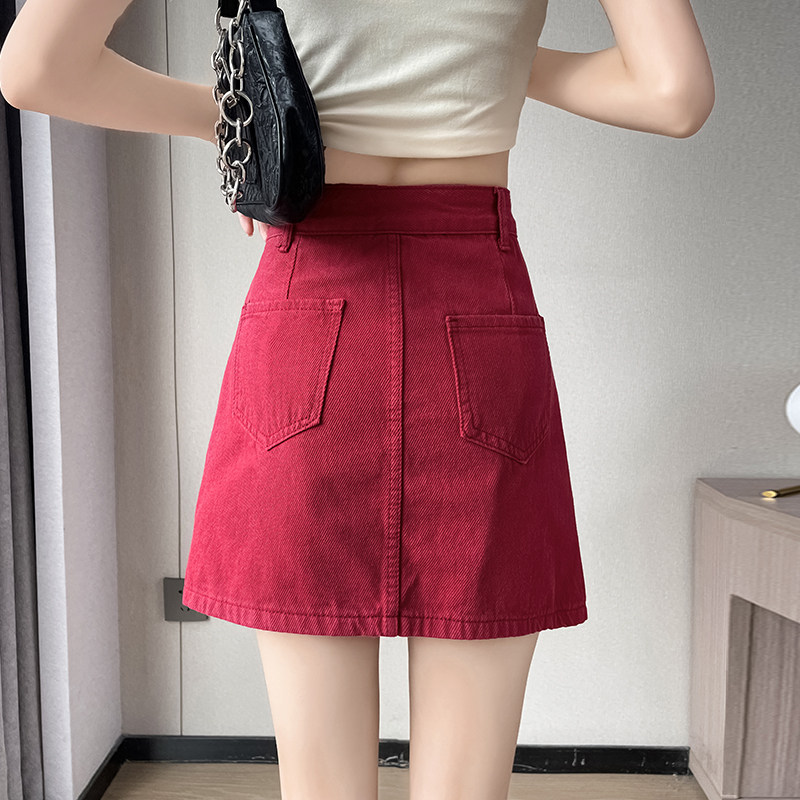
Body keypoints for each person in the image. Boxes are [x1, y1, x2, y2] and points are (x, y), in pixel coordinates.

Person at [0, 1, 714, 799]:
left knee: (321, 784)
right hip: (477, 311)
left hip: (309, 307)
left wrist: (233, 120)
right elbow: (674, 95)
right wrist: (505, 59)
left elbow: (36, 69)